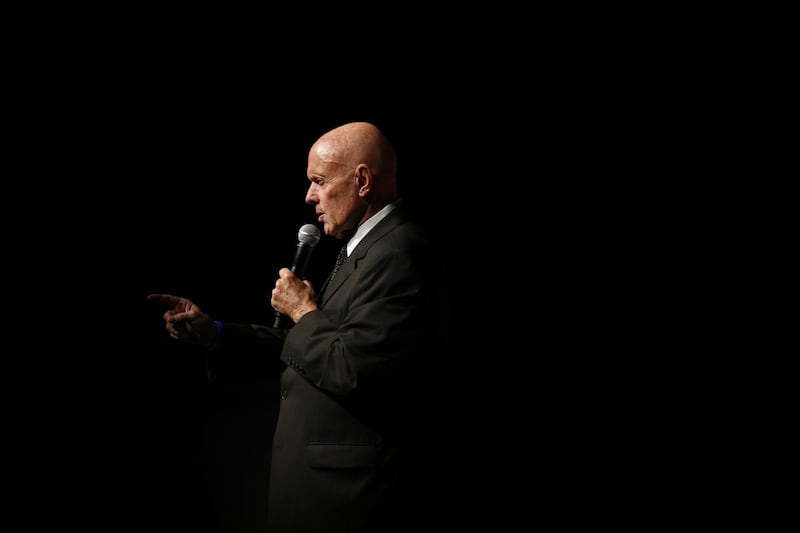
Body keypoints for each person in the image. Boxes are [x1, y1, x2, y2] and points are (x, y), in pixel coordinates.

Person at [147, 121, 454, 532]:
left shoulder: (399, 251)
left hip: (348, 500)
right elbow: (306, 348)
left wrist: (304, 311)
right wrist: (215, 333)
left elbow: (352, 368)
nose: (310, 196)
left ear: (362, 180)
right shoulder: (363, 247)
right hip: (321, 491)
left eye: (319, 181)